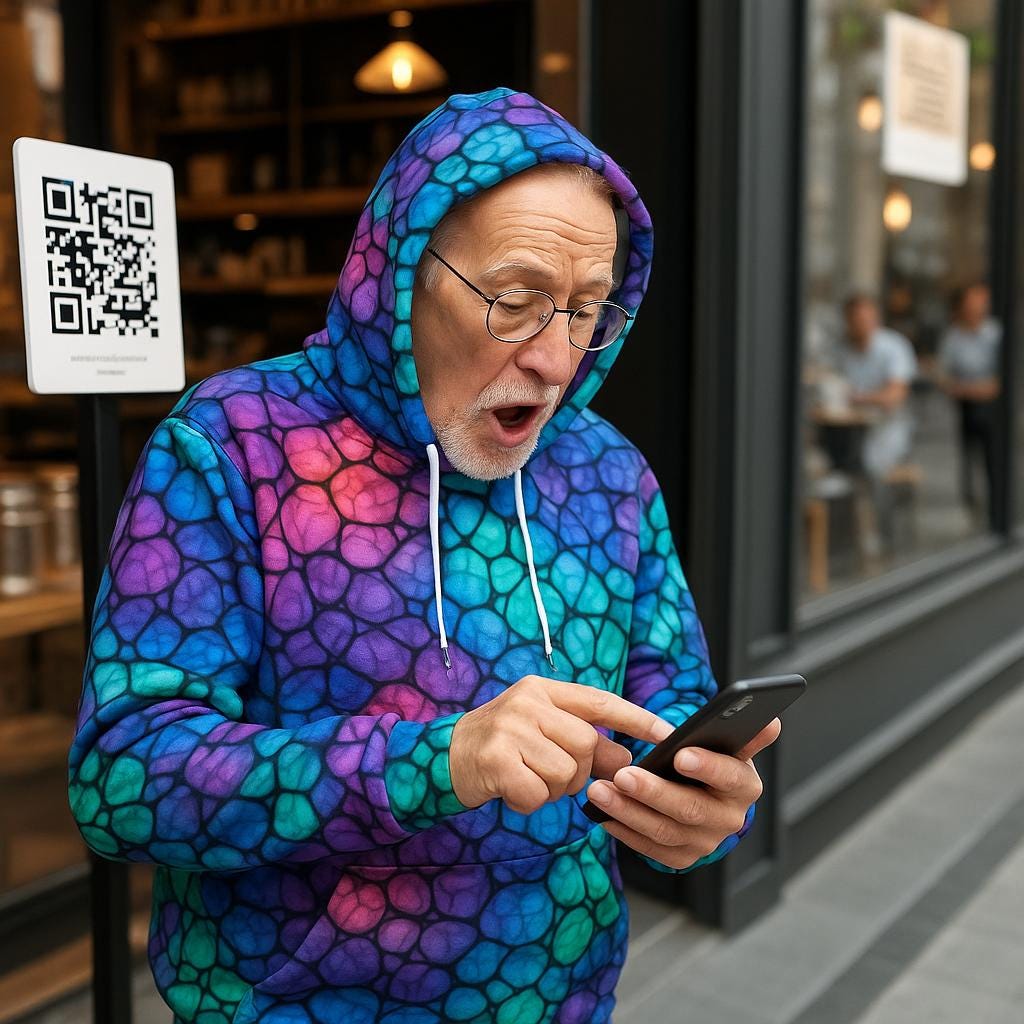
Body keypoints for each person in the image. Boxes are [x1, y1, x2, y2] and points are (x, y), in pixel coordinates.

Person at [67, 87, 779, 1024]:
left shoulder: (609, 471)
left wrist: (700, 814)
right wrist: (435, 761)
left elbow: (666, 708)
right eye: (518, 302)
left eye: (589, 311)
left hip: (564, 1001)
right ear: (399, 273)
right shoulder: (234, 444)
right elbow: (123, 778)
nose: (558, 360)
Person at [826, 293, 918, 557]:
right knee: (832, 468)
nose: (862, 325)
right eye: (856, 320)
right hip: (847, 428)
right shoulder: (840, 349)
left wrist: (859, 397)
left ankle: (880, 536)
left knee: (872, 465)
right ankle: (842, 540)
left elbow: (895, 396)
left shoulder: (893, 347)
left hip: (888, 427)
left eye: (866, 319)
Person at [935, 282, 1003, 526]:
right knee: (967, 456)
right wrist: (973, 389)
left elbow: (1001, 381)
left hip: (994, 409)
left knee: (993, 457)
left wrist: (972, 388)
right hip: (966, 407)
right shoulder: (953, 337)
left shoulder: (995, 334)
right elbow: (944, 377)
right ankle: (971, 506)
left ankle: (998, 508)